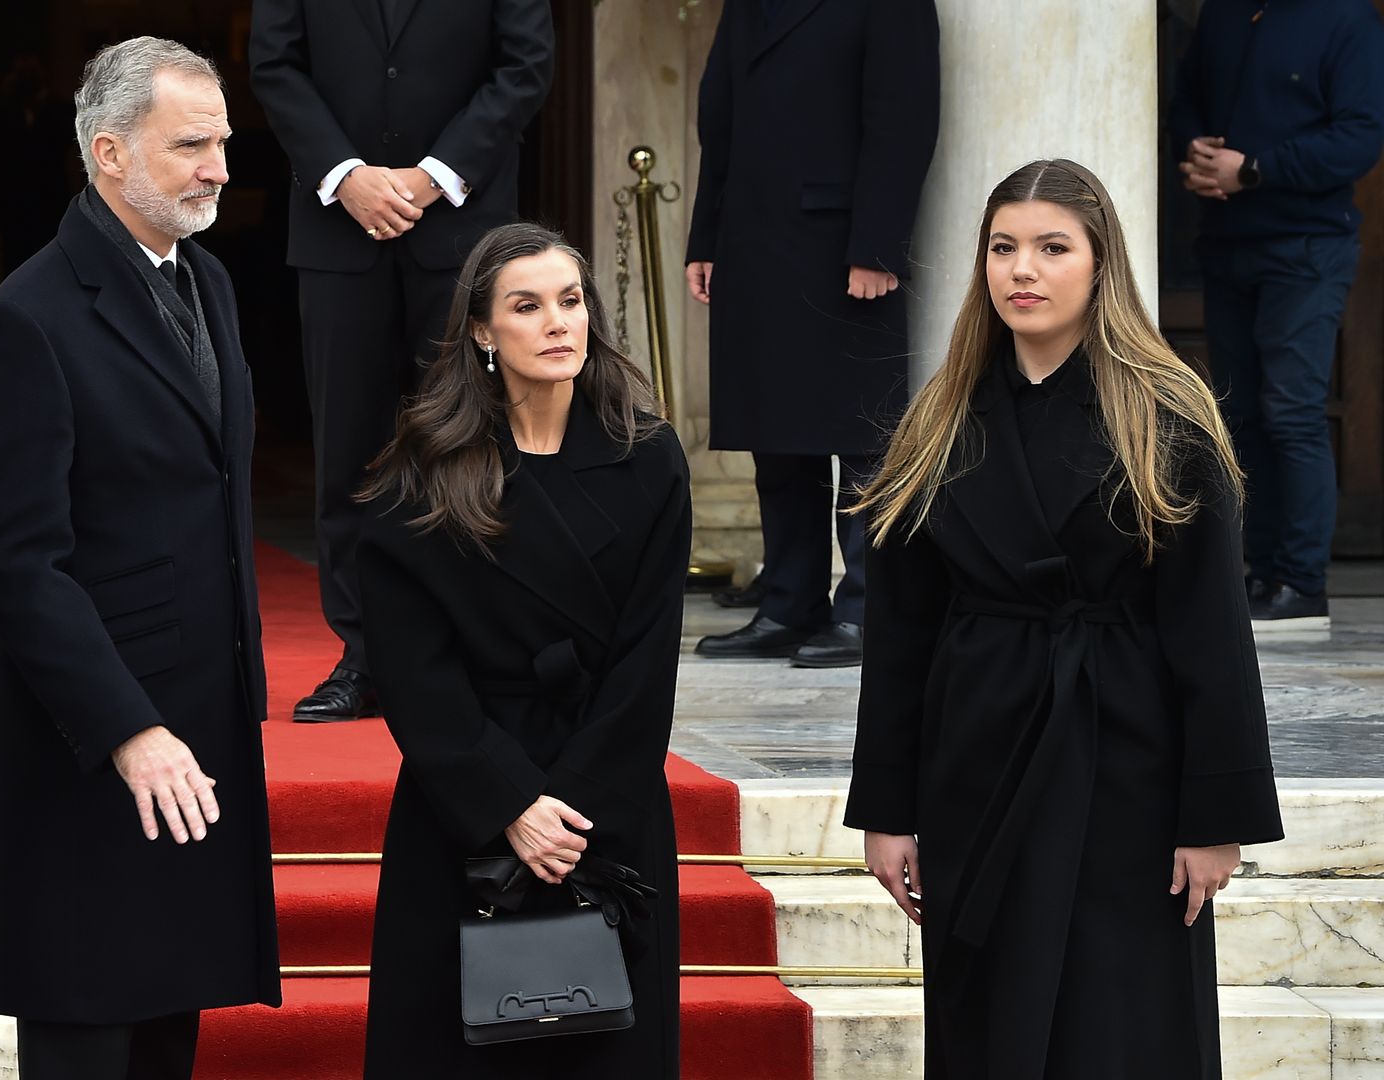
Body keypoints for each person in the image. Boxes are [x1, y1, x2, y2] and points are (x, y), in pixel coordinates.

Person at [846, 160, 1285, 1079]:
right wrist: (886, 810)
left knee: (1120, 1023)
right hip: (976, 755)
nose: (1022, 270)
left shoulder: (1166, 417)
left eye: (1052, 248)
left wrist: (1217, 817)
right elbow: (900, 637)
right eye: (1002, 247)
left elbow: (1212, 633)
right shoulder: (938, 420)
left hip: (1127, 765)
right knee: (989, 1017)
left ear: (1100, 263)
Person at [0, 38, 279, 1080]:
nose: (218, 169)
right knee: (91, 1027)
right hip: (87, 748)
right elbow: (18, 564)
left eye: (221, 143)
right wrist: (129, 730)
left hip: (201, 722)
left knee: (166, 1025)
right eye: (190, 146)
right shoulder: (26, 320)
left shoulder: (210, 281)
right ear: (108, 152)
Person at [355, 222, 690, 1077]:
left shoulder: (650, 458)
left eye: (570, 301)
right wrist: (510, 803)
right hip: (466, 800)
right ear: (481, 330)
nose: (557, 323)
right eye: (528, 305)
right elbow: (412, 670)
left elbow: (649, 657)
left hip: (605, 803)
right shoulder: (422, 471)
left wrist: (571, 810)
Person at [250, 0, 555, 721]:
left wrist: (434, 175)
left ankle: (474, 650)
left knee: (470, 445)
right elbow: (274, 64)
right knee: (348, 453)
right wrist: (344, 175)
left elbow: (526, 63)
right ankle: (363, 657)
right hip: (336, 228)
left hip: (463, 229)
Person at [686, 0, 940, 667]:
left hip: (841, 246)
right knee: (773, 433)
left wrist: (878, 245)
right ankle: (788, 603)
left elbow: (903, 117)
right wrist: (706, 237)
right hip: (752, 243)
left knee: (861, 435)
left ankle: (865, 608)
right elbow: (720, 119)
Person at [1170, 0, 1384, 629]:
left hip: (1308, 247)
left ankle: (1301, 582)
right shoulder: (1223, 13)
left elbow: (1359, 138)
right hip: (1226, 243)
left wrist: (1255, 170)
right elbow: (1186, 100)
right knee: (1238, 413)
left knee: (1292, 412)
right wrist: (1195, 149)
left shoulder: (1348, 20)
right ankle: (1261, 574)